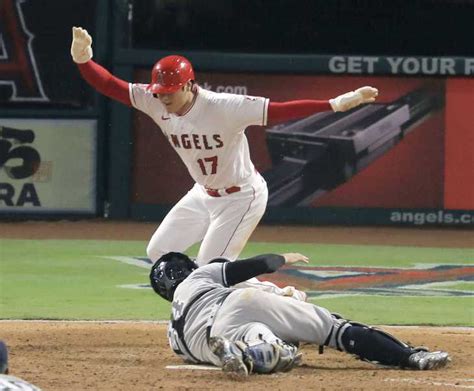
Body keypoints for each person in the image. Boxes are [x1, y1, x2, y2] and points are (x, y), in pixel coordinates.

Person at [71, 26, 377, 297]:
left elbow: (280, 110)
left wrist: (335, 104)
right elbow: (111, 85)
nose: (163, 98)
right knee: (160, 251)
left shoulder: (223, 107)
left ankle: (277, 295)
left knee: (210, 270)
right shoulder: (155, 103)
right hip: (202, 193)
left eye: (170, 92)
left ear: (189, 85)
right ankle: (227, 293)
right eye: (160, 92)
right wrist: (83, 59)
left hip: (241, 196)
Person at [149, 252, 451, 376]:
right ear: (187, 268)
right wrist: (281, 258)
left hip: (209, 337)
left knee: (252, 337)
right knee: (333, 330)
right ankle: (409, 357)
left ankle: (257, 352)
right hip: (238, 303)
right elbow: (253, 265)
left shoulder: (173, 336)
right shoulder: (200, 276)